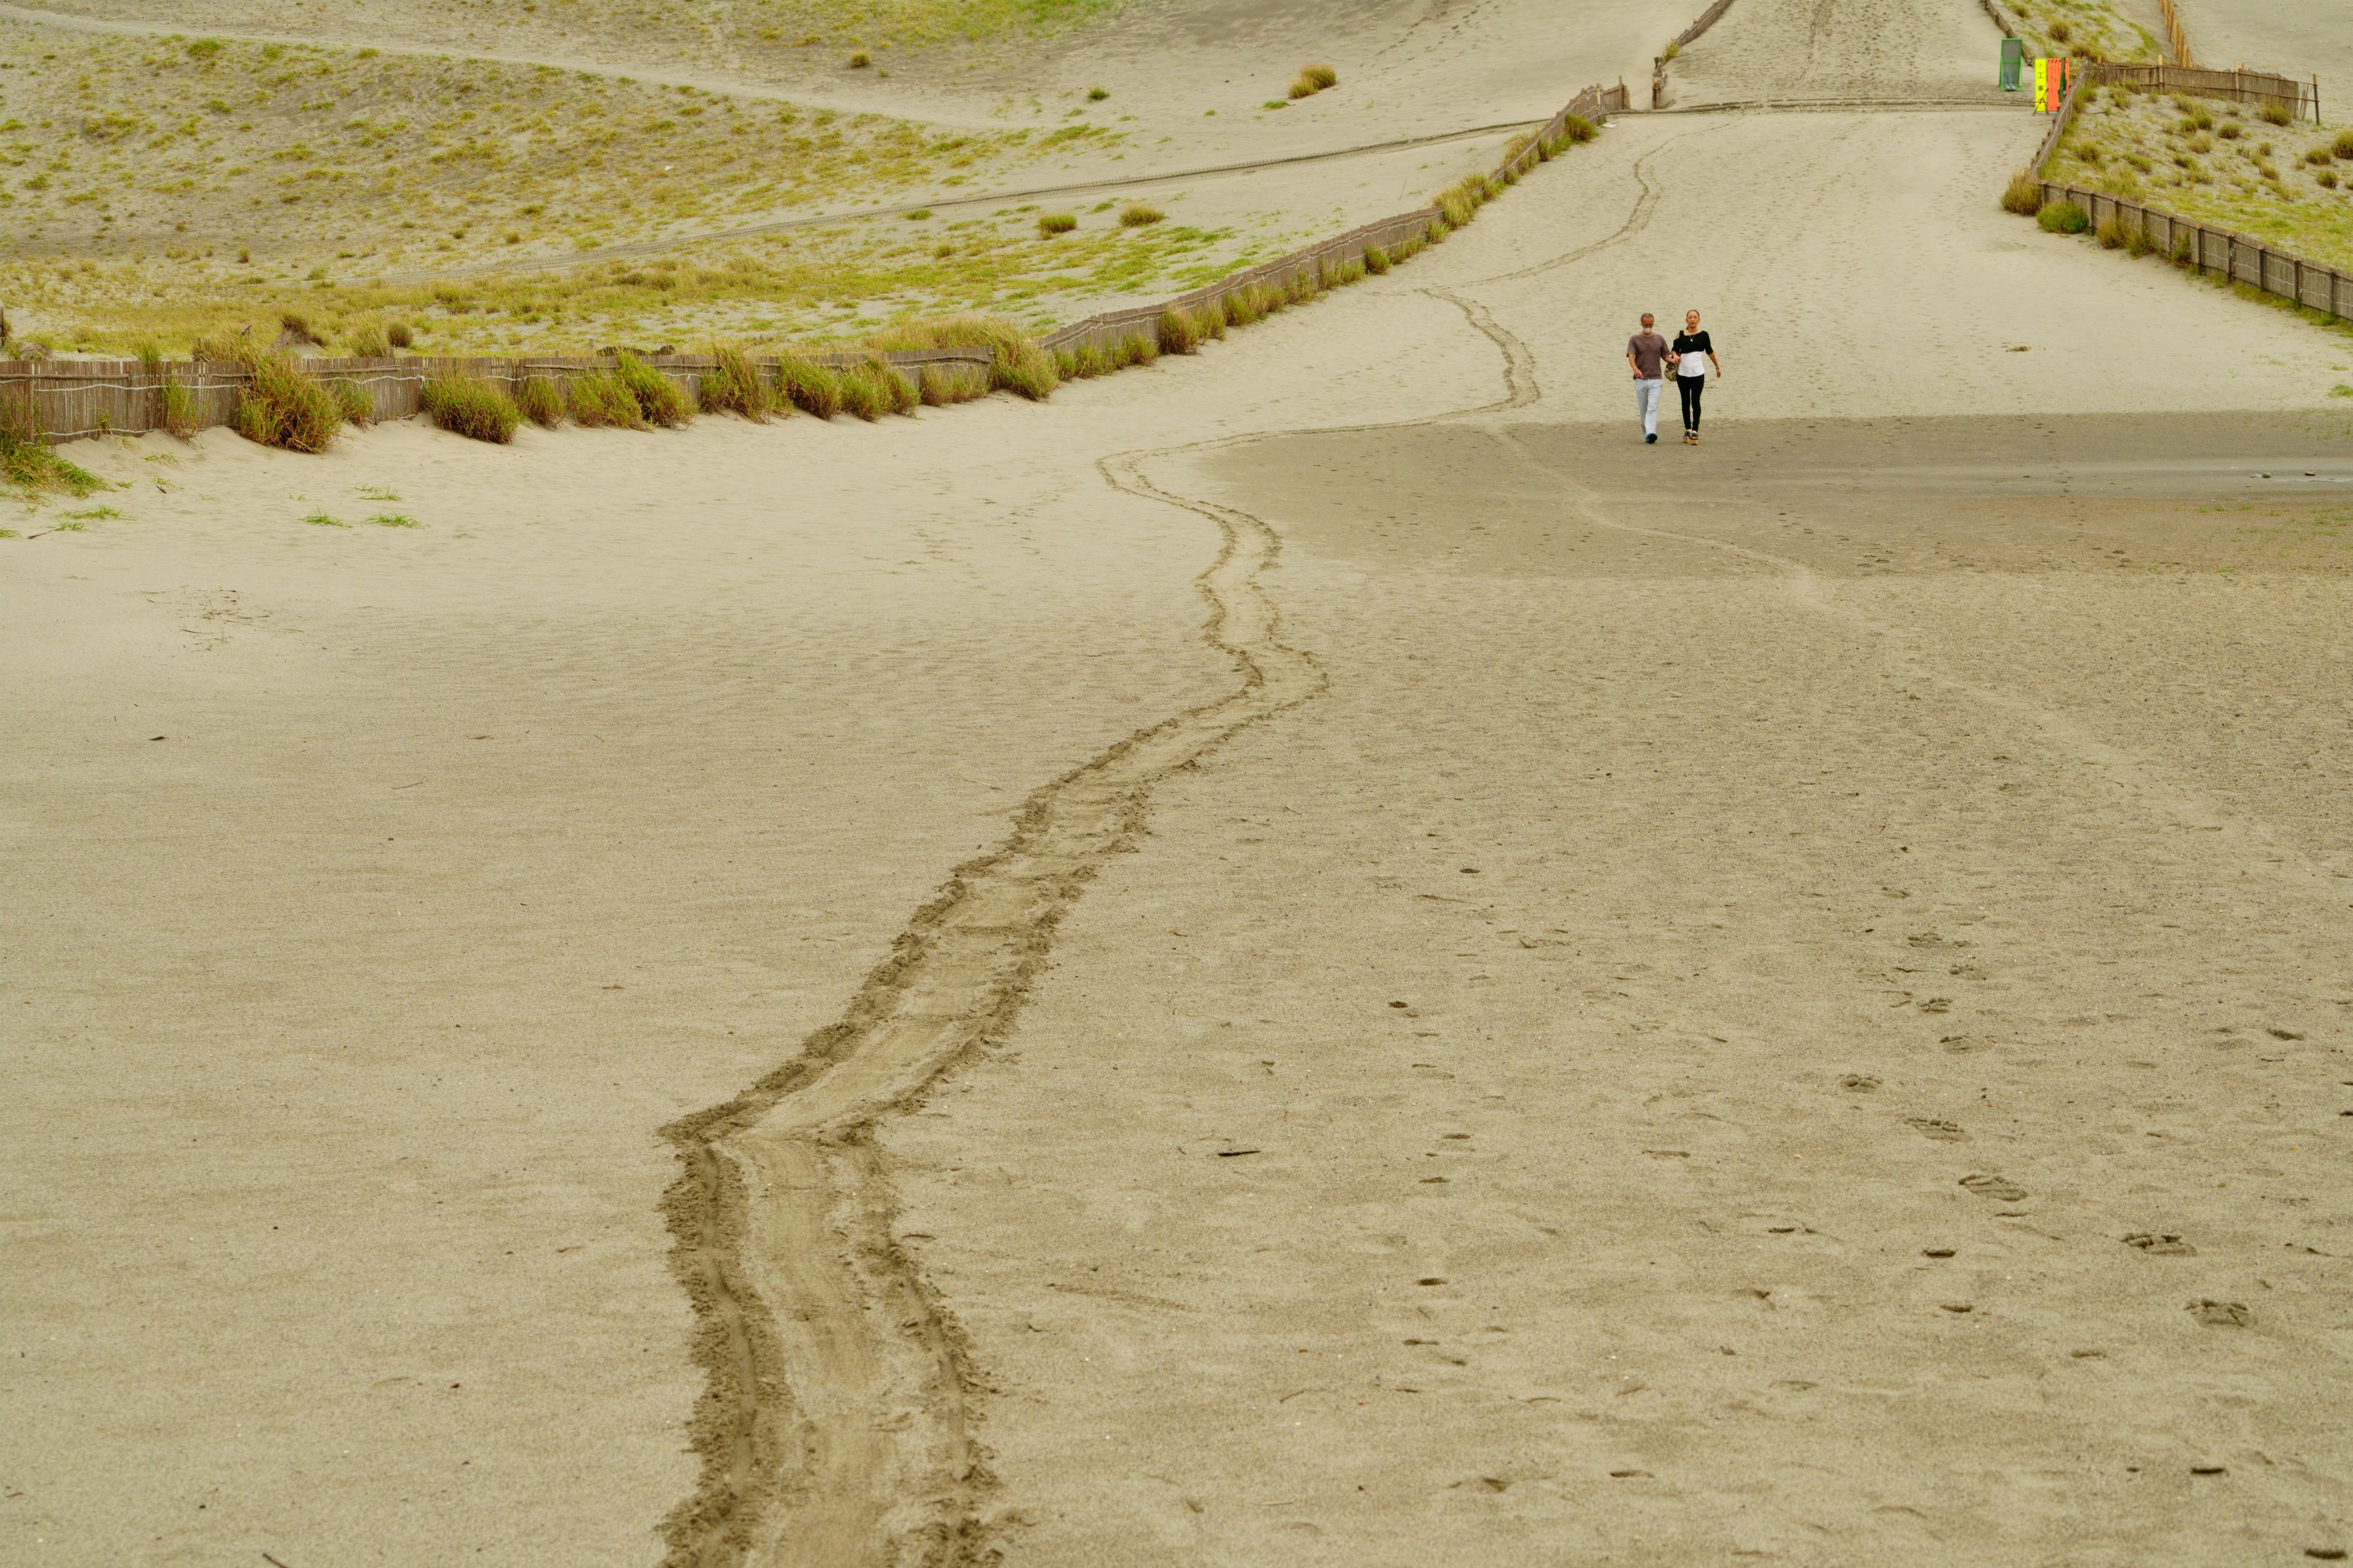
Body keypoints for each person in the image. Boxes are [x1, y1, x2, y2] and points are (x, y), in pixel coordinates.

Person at [1668, 310, 1720, 444]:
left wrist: (1717, 366)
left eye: (1695, 317)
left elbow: (1710, 352)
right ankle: (1688, 429)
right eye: (1690, 317)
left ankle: (1695, 430)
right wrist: (1675, 355)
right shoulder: (1680, 334)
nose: (1692, 319)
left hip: (1698, 374)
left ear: (1699, 320)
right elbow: (1674, 349)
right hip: (1682, 374)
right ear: (1686, 320)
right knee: (1685, 401)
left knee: (1695, 401)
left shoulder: (1704, 335)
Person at [1626, 314, 1669, 444]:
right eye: (1646, 325)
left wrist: (1674, 360)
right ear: (1641, 324)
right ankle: (1646, 434)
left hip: (1656, 379)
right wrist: (1635, 369)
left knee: (1652, 407)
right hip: (1641, 379)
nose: (1648, 327)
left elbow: (1666, 356)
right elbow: (1631, 355)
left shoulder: (1659, 339)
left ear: (1654, 323)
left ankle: (1651, 433)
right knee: (1643, 409)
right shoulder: (1634, 339)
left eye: (1650, 324)